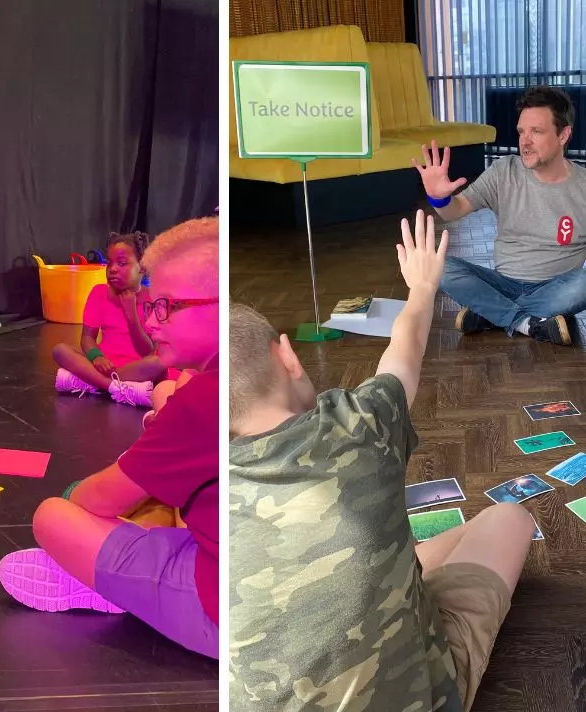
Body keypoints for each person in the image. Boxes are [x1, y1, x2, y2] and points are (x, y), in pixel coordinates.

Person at [228, 210, 535, 710]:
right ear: (286, 355)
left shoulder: (210, 492)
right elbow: (405, 346)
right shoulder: (358, 426)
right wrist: (421, 287)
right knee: (509, 517)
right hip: (422, 693)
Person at [0, 216, 219, 659]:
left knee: (53, 514)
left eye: (166, 307)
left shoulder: (200, 401)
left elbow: (90, 501)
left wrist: (76, 491)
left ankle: (106, 586)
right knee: (161, 391)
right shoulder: (224, 376)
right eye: (151, 305)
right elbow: (87, 341)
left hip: (219, 609)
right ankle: (118, 389)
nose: (155, 319)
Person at [413, 85, 586, 346]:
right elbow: (454, 210)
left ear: (563, 135)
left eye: (536, 132)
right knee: (438, 267)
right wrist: (439, 197)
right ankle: (527, 322)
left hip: (557, 287)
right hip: (501, 282)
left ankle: (490, 313)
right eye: (521, 132)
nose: (524, 141)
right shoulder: (503, 172)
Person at [53, 231, 165, 408]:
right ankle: (117, 388)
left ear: (142, 267)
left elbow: (148, 351)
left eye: (121, 263)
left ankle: (91, 381)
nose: (112, 269)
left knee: (157, 363)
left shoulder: (153, 299)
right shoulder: (99, 293)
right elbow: (88, 338)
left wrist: (131, 315)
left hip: (135, 368)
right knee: (60, 350)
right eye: (110, 263)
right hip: (104, 364)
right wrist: (97, 357)